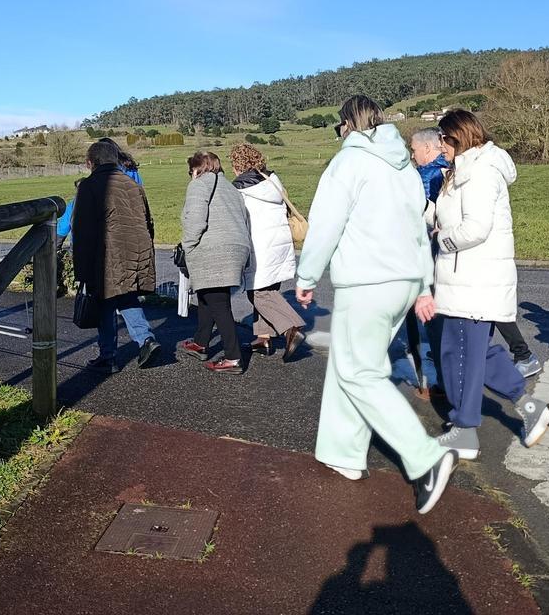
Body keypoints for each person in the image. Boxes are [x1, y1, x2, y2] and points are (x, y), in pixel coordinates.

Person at [295, 96, 457, 516]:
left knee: (358, 370)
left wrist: (306, 276)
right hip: (402, 281)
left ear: (346, 124)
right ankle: (343, 454)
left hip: (367, 281)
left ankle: (426, 457)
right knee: (351, 365)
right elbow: (420, 230)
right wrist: (423, 284)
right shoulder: (404, 167)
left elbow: (326, 223)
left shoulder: (348, 164)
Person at [429, 110, 549, 463]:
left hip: (474, 278)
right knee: (477, 354)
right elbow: (451, 217)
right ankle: (531, 407)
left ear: (458, 136)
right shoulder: (465, 170)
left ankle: (465, 428)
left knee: (460, 355)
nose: (440, 145)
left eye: (443, 138)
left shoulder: (482, 171)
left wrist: (442, 240)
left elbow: (476, 228)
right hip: (464, 277)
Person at [71, 140, 161, 372]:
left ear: (90, 163)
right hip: (136, 252)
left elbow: (82, 230)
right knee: (126, 296)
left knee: (104, 303)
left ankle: (108, 357)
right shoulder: (133, 184)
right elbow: (148, 221)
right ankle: (146, 340)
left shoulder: (89, 186)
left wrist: (81, 269)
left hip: (106, 254)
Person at [176, 151, 253, 374]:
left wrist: (187, 245)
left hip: (212, 249)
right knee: (208, 296)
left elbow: (196, 220)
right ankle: (201, 342)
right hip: (237, 246)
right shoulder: (232, 189)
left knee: (218, 303)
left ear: (197, 169)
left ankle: (233, 357)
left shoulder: (199, 185)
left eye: (191, 171)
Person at [229, 144, 306, 360]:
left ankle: (292, 327)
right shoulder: (272, 180)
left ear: (237, 165)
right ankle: (263, 338)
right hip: (280, 242)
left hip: (260, 244)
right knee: (269, 288)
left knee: (258, 293)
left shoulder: (240, 188)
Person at [404, 128, 451, 396]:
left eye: (414, 149)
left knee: (430, 312)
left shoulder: (430, 175)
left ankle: (442, 382)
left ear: (428, 149)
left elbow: (418, 211)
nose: (413, 154)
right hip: (435, 248)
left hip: (429, 248)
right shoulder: (446, 170)